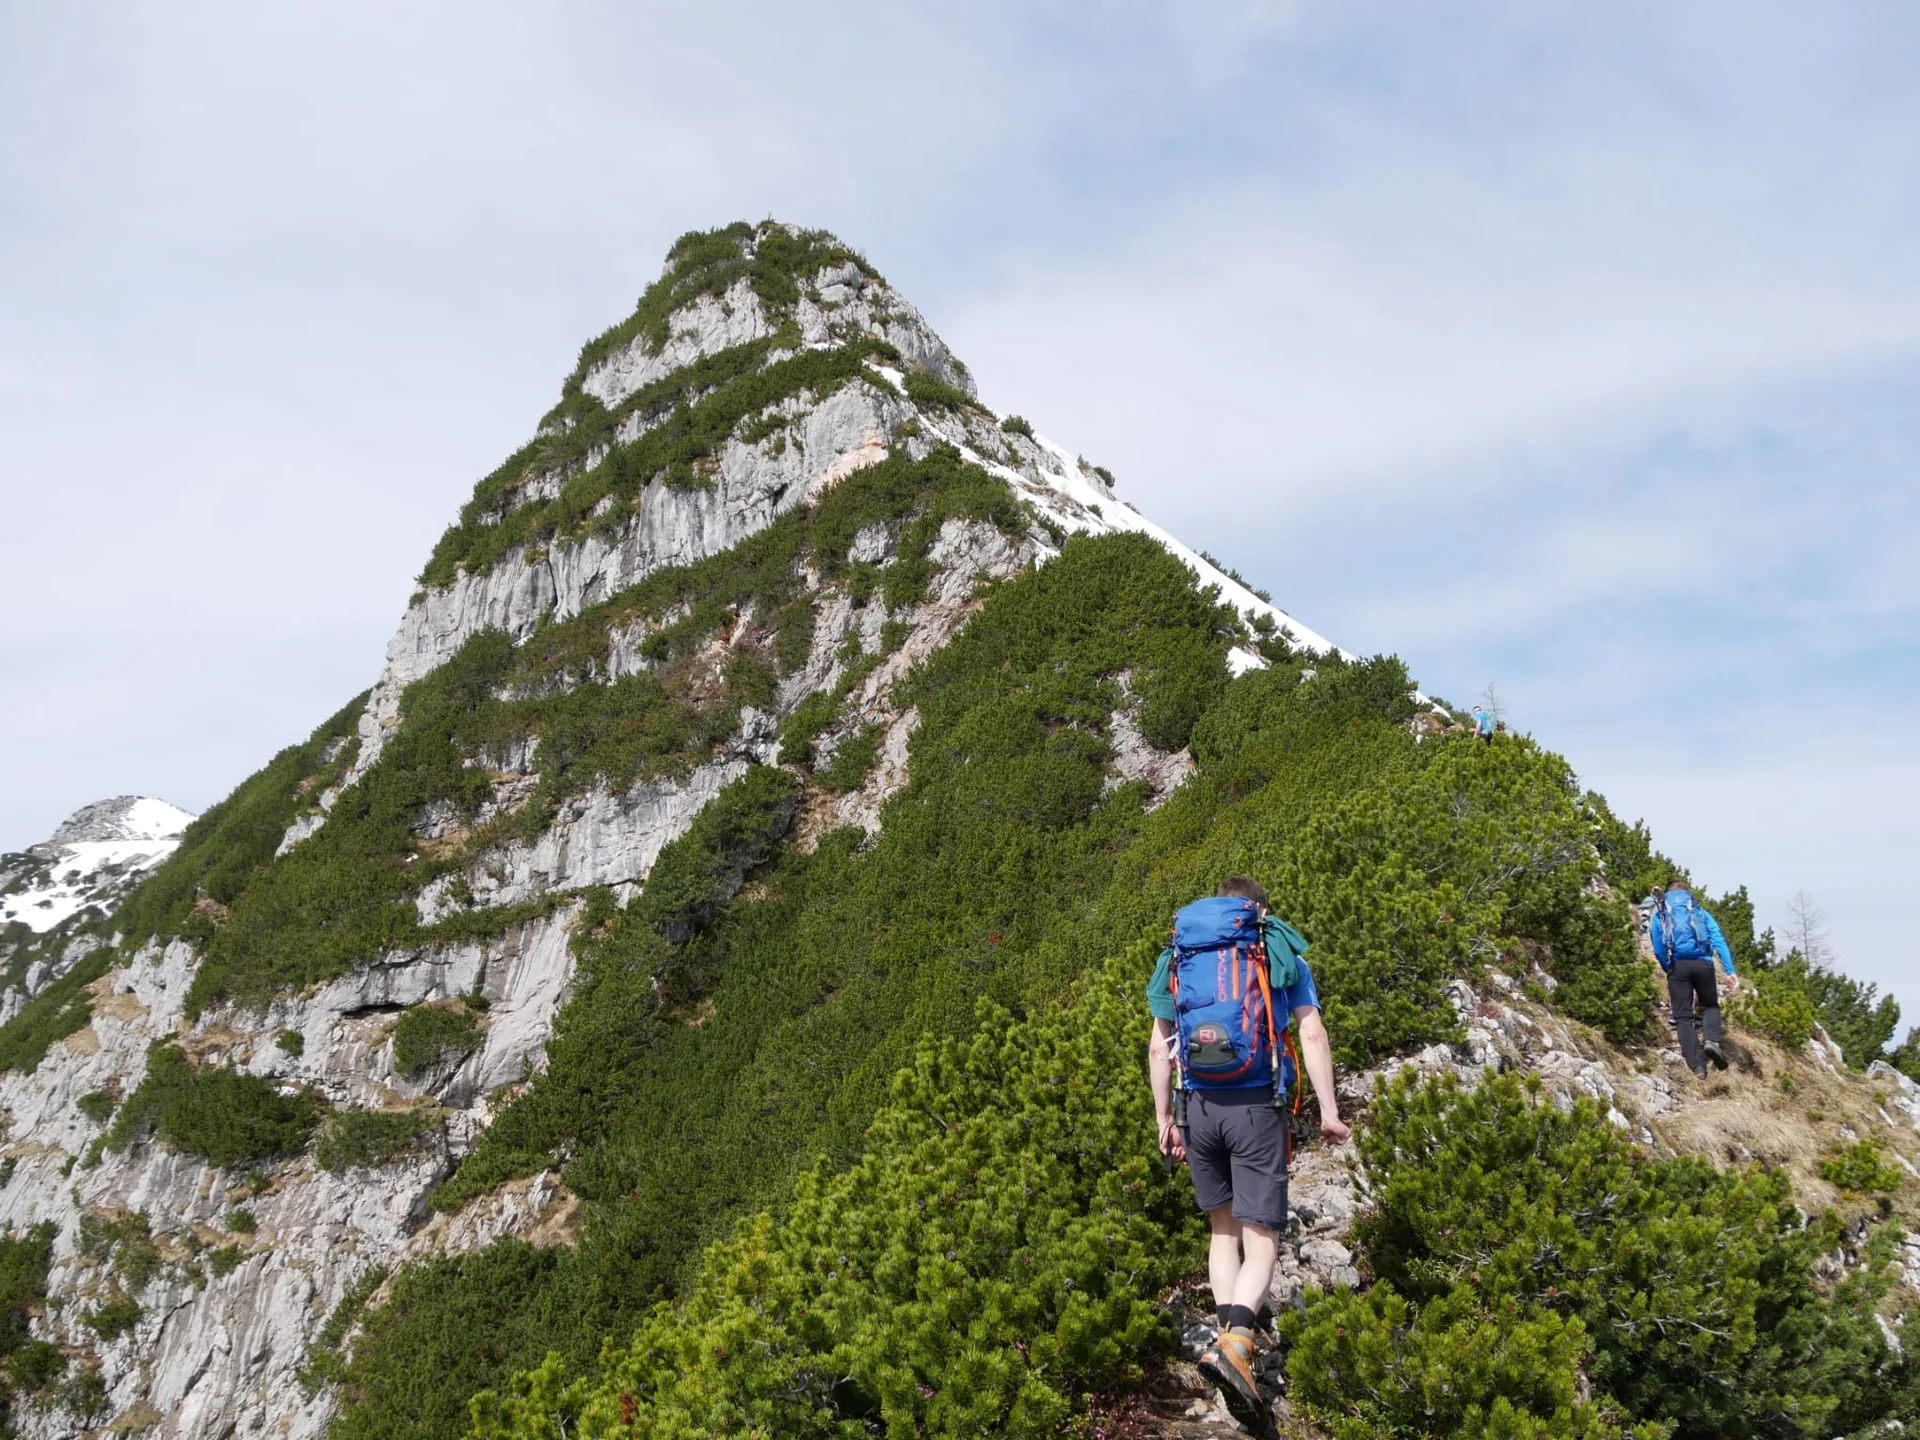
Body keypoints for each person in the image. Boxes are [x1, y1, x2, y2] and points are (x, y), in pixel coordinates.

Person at [1147, 876, 1350, 1430]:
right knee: (1263, 1234)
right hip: (1257, 1106)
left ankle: (1224, 1343)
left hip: (1199, 1110)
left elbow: (1160, 1045)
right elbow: (1311, 1034)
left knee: (1223, 1230)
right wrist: (1329, 1112)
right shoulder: (1272, 944)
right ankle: (1236, 1344)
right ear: (1257, 910)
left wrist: (1165, 1118)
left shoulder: (1180, 952)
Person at [1649, 878, 1739, 1077]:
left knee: (1683, 1017)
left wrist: (1668, 967)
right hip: (1704, 964)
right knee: (1710, 1006)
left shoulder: (1661, 913)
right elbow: (1717, 939)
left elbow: (1657, 945)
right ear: (1688, 894)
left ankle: (1697, 1066)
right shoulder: (1699, 911)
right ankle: (1711, 1041)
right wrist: (1729, 970)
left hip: (1678, 966)